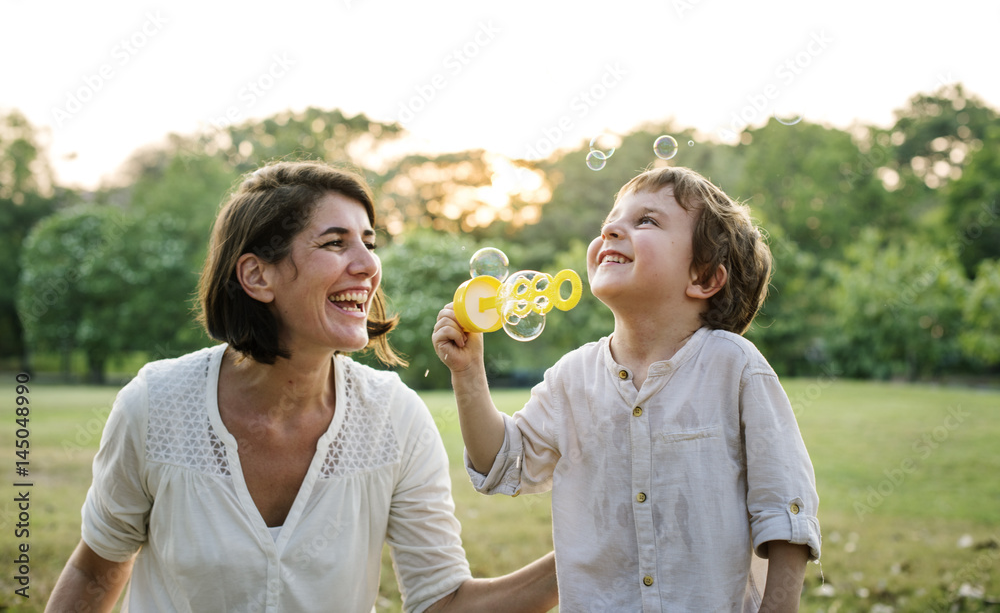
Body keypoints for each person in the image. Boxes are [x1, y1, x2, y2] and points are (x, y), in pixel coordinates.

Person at [46, 161, 558, 613]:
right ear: (257, 276)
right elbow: (97, 568)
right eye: (335, 243)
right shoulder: (155, 404)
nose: (368, 265)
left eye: (369, 243)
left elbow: (443, 603)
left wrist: (595, 547)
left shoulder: (396, 418)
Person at [433, 165, 821, 612]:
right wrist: (467, 373)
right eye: (610, 223)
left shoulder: (734, 366)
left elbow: (785, 507)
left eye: (647, 221)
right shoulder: (571, 377)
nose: (612, 230)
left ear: (704, 278)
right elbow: (501, 462)